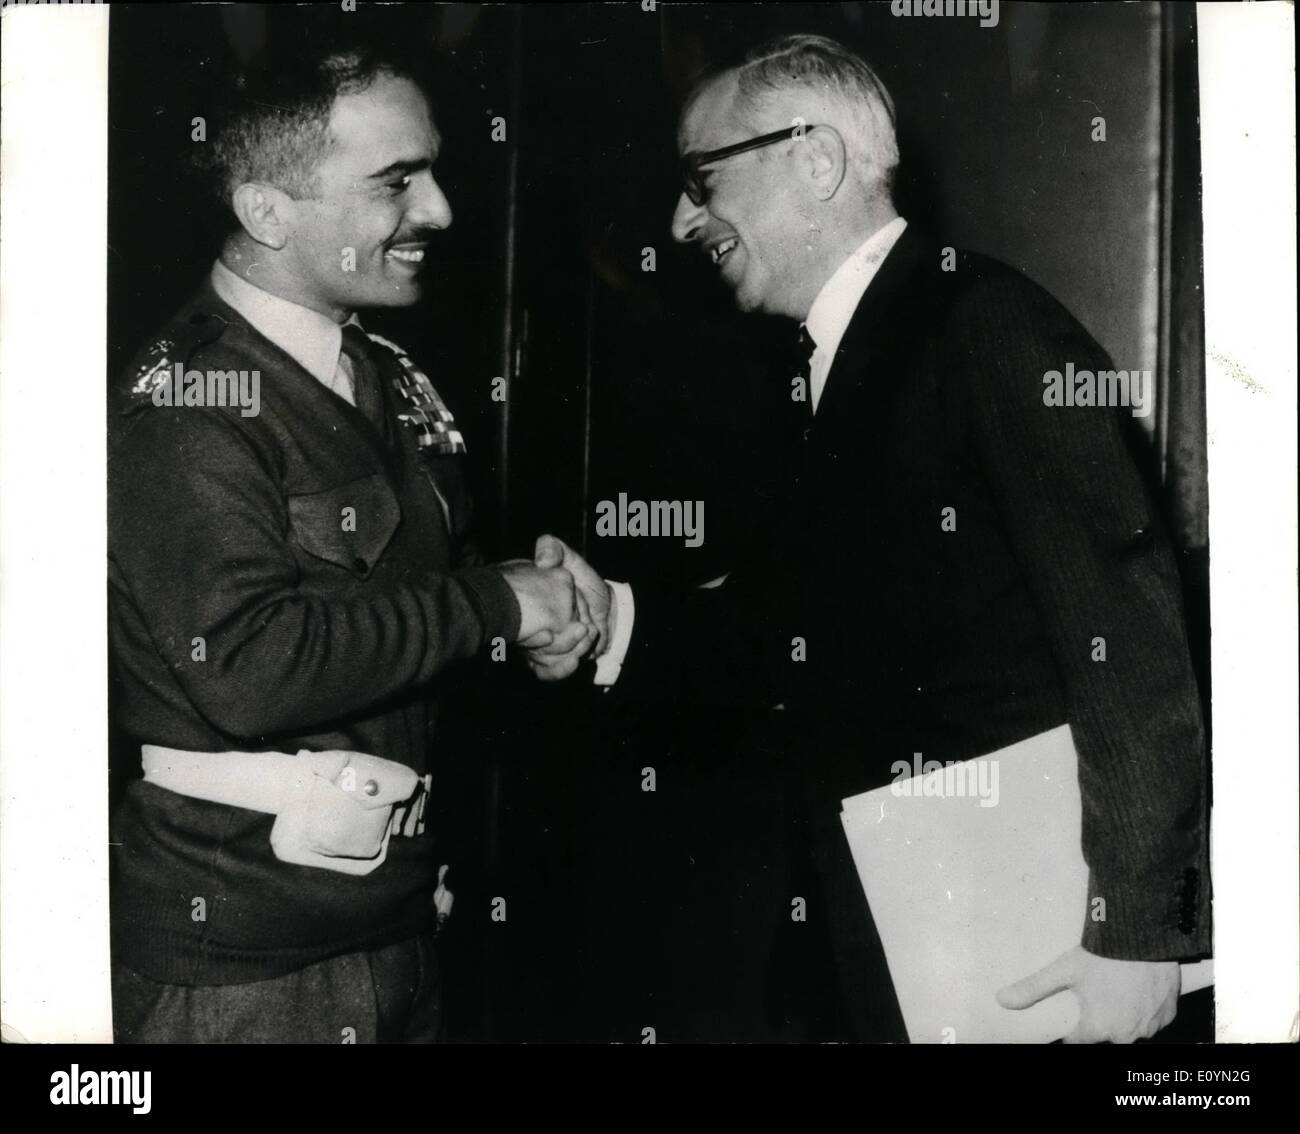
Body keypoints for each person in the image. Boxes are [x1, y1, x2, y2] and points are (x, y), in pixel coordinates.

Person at [524, 33, 1210, 1043]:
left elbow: (1129, 641)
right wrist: (609, 622)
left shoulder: (985, 327)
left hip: (1018, 941)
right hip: (889, 923)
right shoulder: (816, 364)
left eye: (702, 179)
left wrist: (1141, 936)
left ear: (816, 159)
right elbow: (802, 637)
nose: (680, 222)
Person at [108, 45, 590, 1043]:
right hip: (246, 963)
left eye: (433, 170)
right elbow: (247, 667)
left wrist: (535, 616)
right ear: (268, 211)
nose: (441, 211)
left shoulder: (384, 373)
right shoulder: (192, 403)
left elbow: (413, 616)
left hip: (397, 916)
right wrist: (496, 605)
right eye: (396, 182)